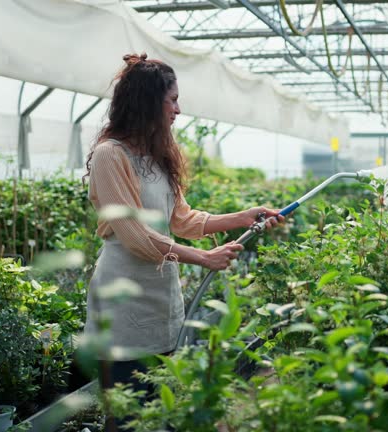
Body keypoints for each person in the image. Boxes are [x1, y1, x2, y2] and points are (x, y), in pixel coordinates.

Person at [83, 53, 283, 427]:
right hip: (123, 300)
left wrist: (242, 217)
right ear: (147, 102)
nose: (178, 108)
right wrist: (202, 258)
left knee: (158, 406)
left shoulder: (157, 158)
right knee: (127, 413)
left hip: (159, 296)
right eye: (172, 99)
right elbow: (134, 234)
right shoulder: (112, 156)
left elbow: (183, 219)